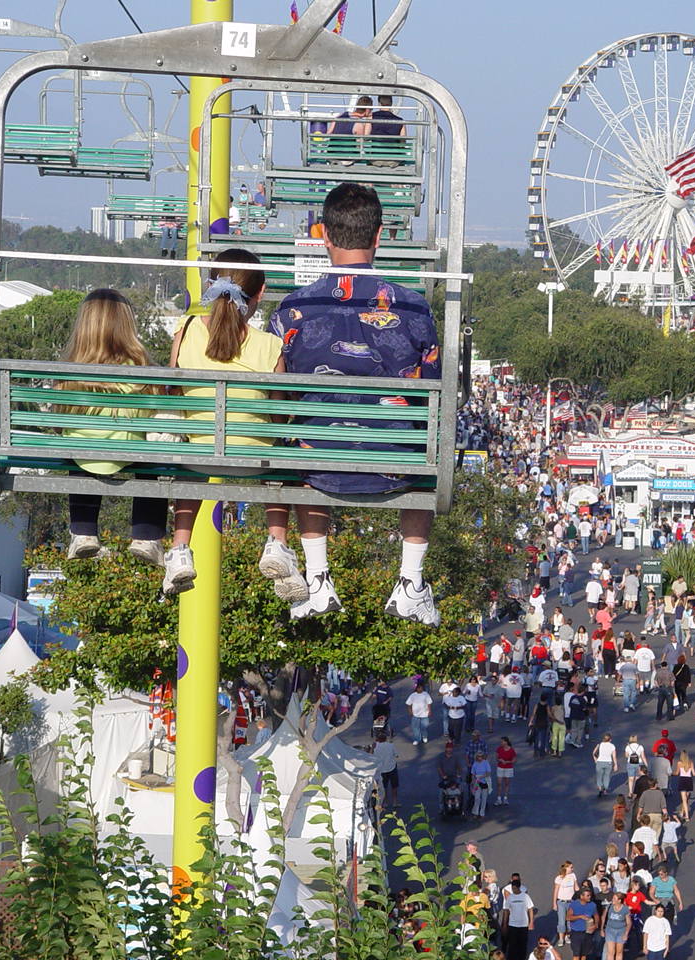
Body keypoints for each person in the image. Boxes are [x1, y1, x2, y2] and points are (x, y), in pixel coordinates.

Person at [269, 183, 443, 625]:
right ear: (379, 235)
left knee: (301, 436)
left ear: (323, 235)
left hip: (317, 465)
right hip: (398, 464)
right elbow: (433, 386)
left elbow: (278, 388)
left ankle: (318, 577)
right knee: (426, 438)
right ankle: (410, 581)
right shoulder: (415, 308)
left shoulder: (294, 308)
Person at [164, 250, 304, 598]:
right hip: (254, 460)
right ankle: (276, 541)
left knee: (190, 456)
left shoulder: (186, 330)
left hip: (198, 454)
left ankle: (181, 548)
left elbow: (172, 389)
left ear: (211, 285)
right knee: (283, 455)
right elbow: (277, 418)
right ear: (260, 293)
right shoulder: (270, 345)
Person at [58, 288, 168, 565]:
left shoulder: (69, 369)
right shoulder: (141, 367)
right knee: (151, 460)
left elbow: (61, 419)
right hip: (129, 453)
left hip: (83, 455)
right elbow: (151, 412)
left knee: (78, 449)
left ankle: (83, 531)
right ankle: (146, 535)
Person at [500, 873, 535, 960]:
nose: (513, 890)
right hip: (512, 925)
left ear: (518, 887)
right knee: (512, 946)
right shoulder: (510, 898)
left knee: (522, 945)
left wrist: (531, 922)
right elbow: (506, 911)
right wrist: (505, 924)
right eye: (512, 888)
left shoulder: (525, 896)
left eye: (514, 888)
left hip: (523, 925)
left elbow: (530, 909)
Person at [565, 887, 598, 960]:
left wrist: (596, 925)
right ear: (581, 896)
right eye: (588, 895)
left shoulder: (592, 905)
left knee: (584, 954)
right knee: (576, 955)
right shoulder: (574, 904)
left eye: (590, 895)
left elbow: (596, 915)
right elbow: (568, 917)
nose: (590, 897)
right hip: (576, 933)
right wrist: (580, 916)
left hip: (588, 933)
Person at [551, 861, 578, 946]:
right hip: (561, 902)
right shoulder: (559, 878)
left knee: (570, 920)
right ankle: (561, 938)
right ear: (566, 868)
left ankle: (567, 936)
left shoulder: (573, 875)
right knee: (562, 921)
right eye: (571, 867)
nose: (572, 869)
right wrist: (554, 903)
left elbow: (576, 887)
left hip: (571, 902)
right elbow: (556, 891)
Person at [601, 890, 632, 960]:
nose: (612, 900)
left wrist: (626, 934)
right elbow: (603, 917)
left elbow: (629, 923)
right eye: (613, 898)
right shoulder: (609, 907)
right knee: (610, 951)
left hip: (621, 931)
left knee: (619, 952)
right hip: (610, 930)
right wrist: (602, 929)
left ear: (619, 900)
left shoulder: (625, 909)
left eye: (614, 899)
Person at [373, 732, 398, 807]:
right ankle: (395, 802)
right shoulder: (391, 745)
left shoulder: (375, 746)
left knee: (384, 787)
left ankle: (385, 802)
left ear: (377, 739)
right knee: (394, 786)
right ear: (385, 739)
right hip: (391, 768)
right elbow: (396, 755)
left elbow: (371, 756)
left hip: (381, 770)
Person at [673, 751, 695, 820]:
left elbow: (677, 773)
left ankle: (687, 816)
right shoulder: (691, 763)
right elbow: (694, 774)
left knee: (684, 799)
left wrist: (671, 773)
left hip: (682, 780)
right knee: (686, 799)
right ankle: (682, 812)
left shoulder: (679, 763)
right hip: (689, 780)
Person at [594, 732, 618, 798]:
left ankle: (600, 788)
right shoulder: (612, 746)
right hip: (608, 763)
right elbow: (614, 756)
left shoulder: (600, 744)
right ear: (610, 739)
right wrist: (615, 764)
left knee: (599, 776)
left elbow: (594, 752)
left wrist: (595, 759)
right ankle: (605, 789)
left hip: (600, 762)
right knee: (606, 776)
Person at [495, 736, 516, 805]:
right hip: (500, 767)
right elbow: (497, 758)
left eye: (502, 741)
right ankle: (498, 799)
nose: (501, 743)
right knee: (499, 783)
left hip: (508, 768)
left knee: (507, 783)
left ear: (506, 742)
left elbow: (514, 760)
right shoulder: (499, 749)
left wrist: (507, 762)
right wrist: (500, 760)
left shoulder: (511, 750)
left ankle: (505, 798)